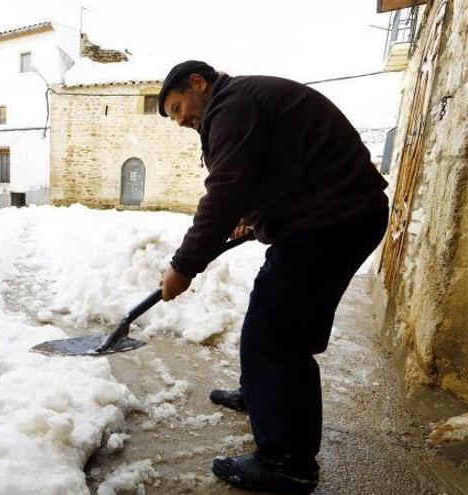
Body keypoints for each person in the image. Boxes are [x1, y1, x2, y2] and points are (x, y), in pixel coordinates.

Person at [156, 61, 389, 493]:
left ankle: (287, 462)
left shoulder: (233, 106)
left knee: (276, 336)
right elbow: (269, 171)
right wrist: (254, 216)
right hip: (335, 217)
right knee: (274, 319)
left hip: (331, 222)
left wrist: (184, 265)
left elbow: (224, 189)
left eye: (178, 107)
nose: (182, 120)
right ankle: (266, 397)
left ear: (197, 83)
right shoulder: (241, 102)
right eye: (174, 117)